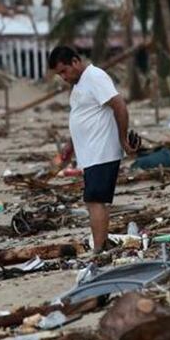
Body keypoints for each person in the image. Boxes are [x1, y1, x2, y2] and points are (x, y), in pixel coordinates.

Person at [48, 46, 137, 256]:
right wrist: (70, 149)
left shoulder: (95, 77)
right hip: (90, 154)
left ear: (76, 62)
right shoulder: (80, 84)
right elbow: (82, 116)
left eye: (64, 71)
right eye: (59, 74)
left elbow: (119, 106)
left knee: (95, 200)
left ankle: (99, 249)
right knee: (94, 200)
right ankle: (102, 245)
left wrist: (123, 139)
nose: (62, 77)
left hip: (102, 151)